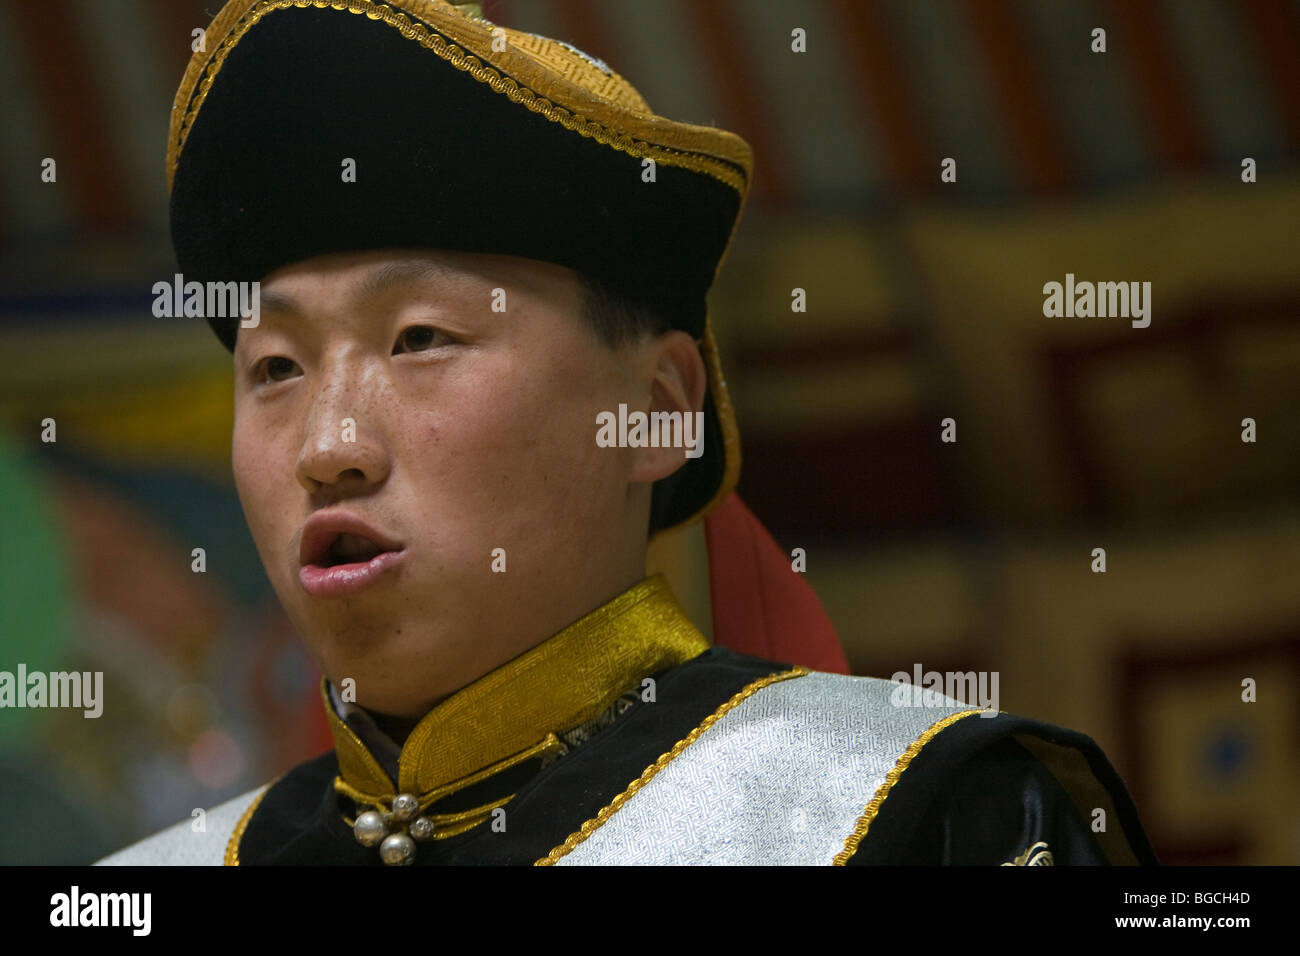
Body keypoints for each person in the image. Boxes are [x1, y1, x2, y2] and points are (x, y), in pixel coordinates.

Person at [96, 0, 1156, 866]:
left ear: (655, 407)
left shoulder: (907, 818)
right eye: (275, 367)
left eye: (419, 337)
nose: (327, 445)